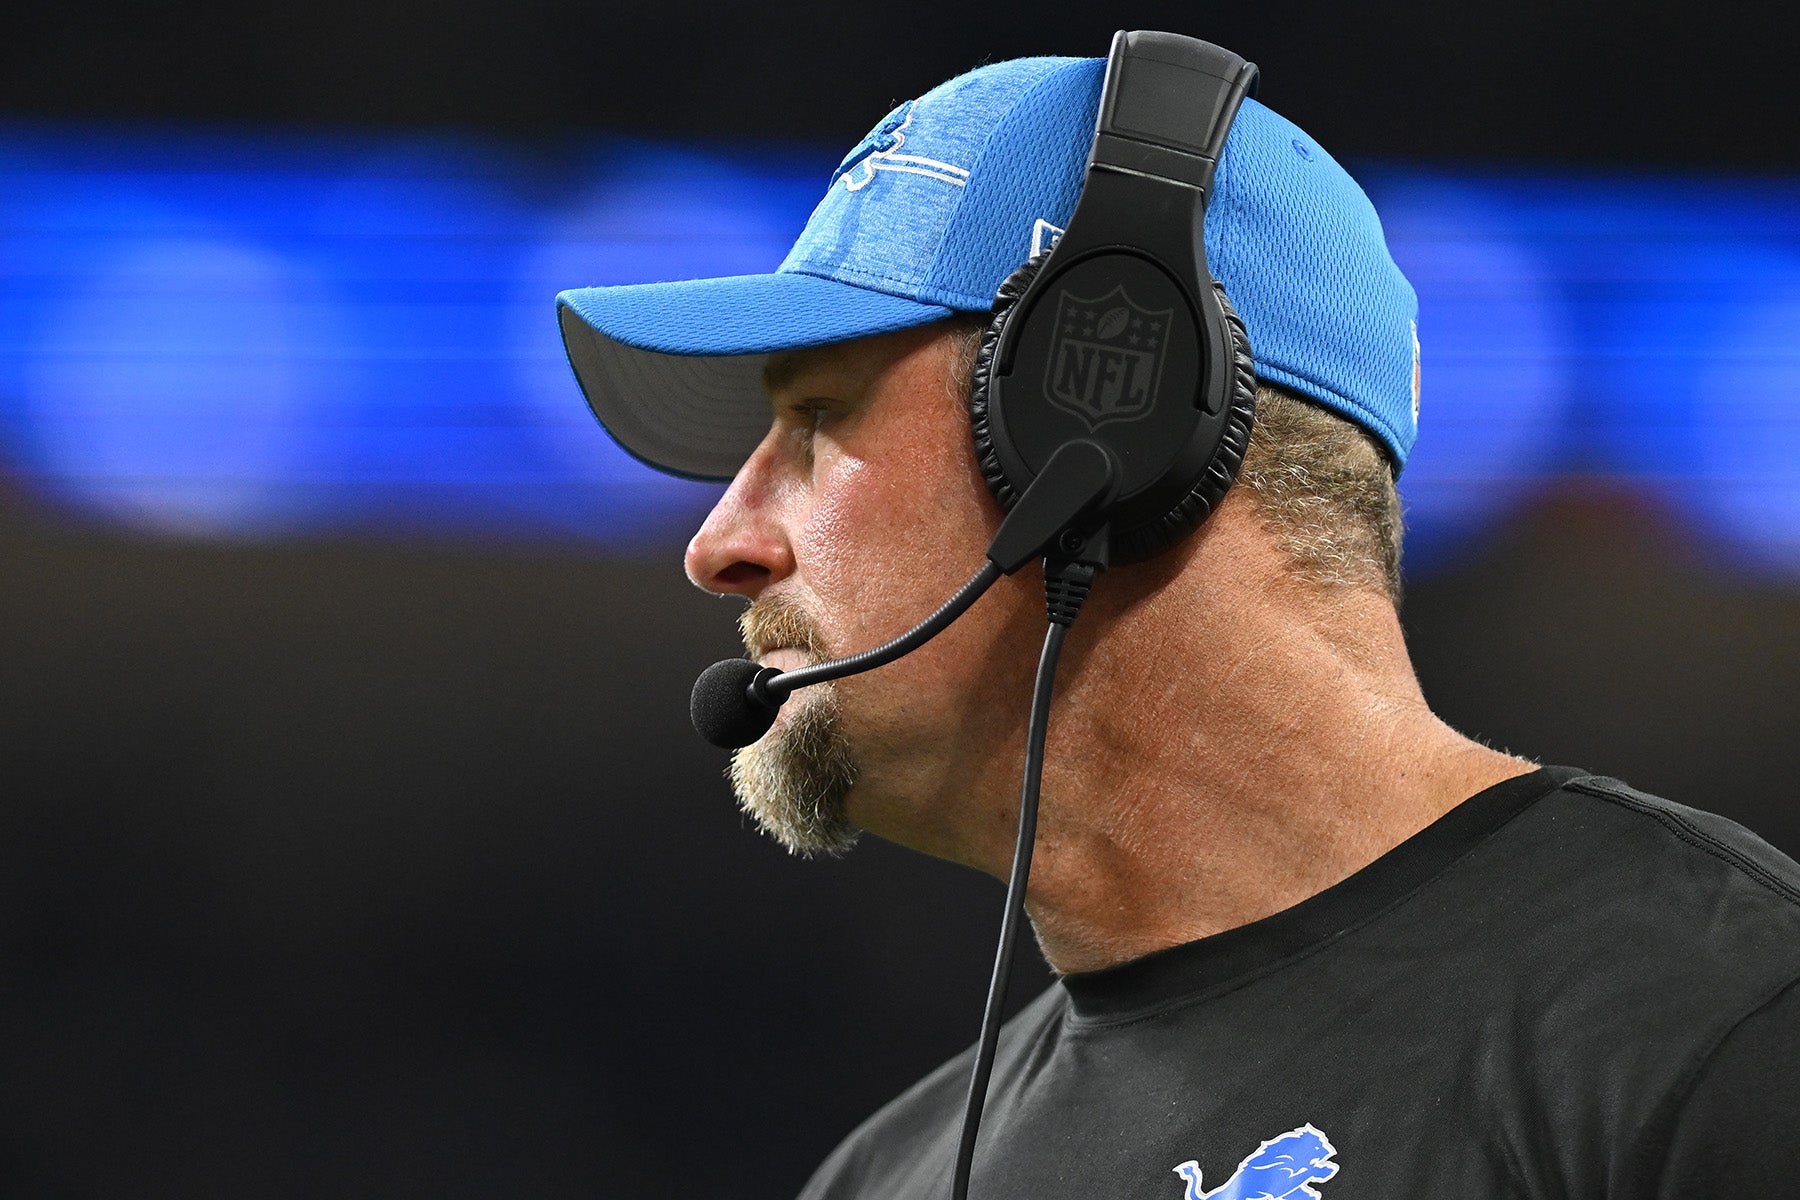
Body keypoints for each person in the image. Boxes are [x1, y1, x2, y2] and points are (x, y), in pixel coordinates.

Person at [555, 44, 1800, 1200]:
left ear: (1102, 430)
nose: (719, 544)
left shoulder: (1719, 1024)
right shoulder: (890, 1178)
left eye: (819, 421)